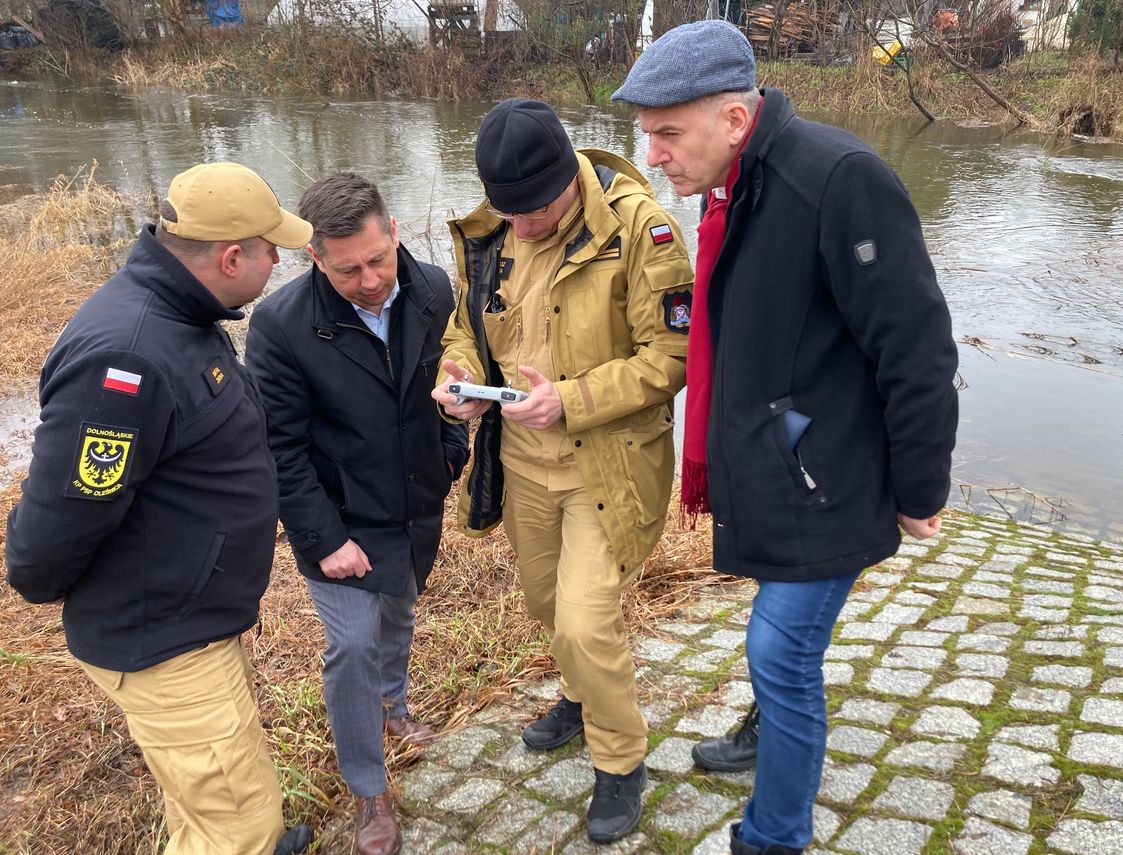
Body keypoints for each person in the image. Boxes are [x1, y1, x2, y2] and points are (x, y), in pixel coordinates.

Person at [613, 21, 959, 855]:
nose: (653, 156)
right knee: (780, 644)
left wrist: (920, 491)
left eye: (668, 133)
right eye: (646, 135)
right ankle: (766, 736)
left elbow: (917, 350)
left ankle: (773, 836)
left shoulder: (838, 181)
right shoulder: (741, 186)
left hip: (829, 475)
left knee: (779, 648)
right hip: (781, 461)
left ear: (735, 119)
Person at [5, 163, 316, 855]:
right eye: (273, 250)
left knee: (204, 796)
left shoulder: (182, 312)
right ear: (233, 256)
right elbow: (60, 520)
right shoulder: (129, 357)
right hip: (164, 638)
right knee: (239, 822)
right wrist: (35, 578)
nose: (277, 263)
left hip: (192, 617)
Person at [430, 98, 693, 844]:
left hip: (605, 467)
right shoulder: (492, 230)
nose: (520, 225)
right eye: (508, 210)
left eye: (534, 211)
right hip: (520, 466)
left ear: (569, 179)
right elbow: (466, 325)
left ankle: (620, 759)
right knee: (548, 607)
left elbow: (672, 356)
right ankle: (579, 699)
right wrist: (459, 377)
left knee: (585, 618)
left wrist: (571, 399)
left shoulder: (644, 231)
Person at [245, 173, 469, 855]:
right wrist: (325, 538)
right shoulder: (280, 326)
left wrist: (452, 450)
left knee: (399, 609)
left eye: (379, 259)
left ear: (394, 230)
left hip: (413, 505)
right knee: (350, 643)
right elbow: (279, 449)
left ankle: (393, 705)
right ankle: (369, 787)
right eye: (349, 269)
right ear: (315, 257)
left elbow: (451, 376)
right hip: (337, 515)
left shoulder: (431, 287)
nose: (371, 279)